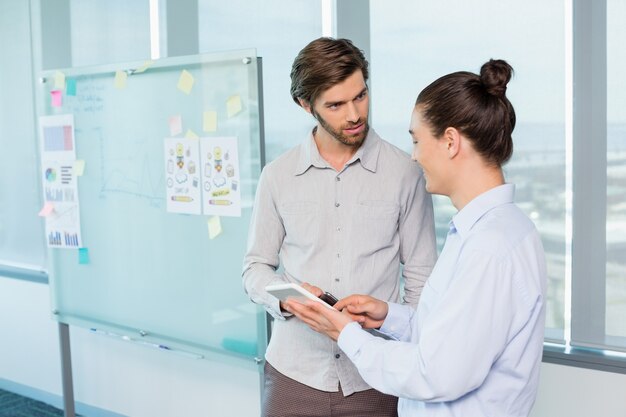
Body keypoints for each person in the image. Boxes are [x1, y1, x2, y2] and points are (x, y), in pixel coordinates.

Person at [285, 59, 548, 417]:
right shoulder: (496, 230)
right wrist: (388, 317)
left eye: (417, 140)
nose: (414, 156)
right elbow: (453, 338)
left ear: (451, 142)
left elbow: (435, 372)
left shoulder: (489, 248)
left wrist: (345, 334)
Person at [242, 37, 437, 417]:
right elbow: (254, 268)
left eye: (361, 96)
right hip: (293, 375)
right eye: (335, 104)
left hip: (376, 378)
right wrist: (287, 298)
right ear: (306, 105)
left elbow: (421, 279)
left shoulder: (406, 173)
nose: (354, 115)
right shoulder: (277, 176)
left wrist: (411, 359)